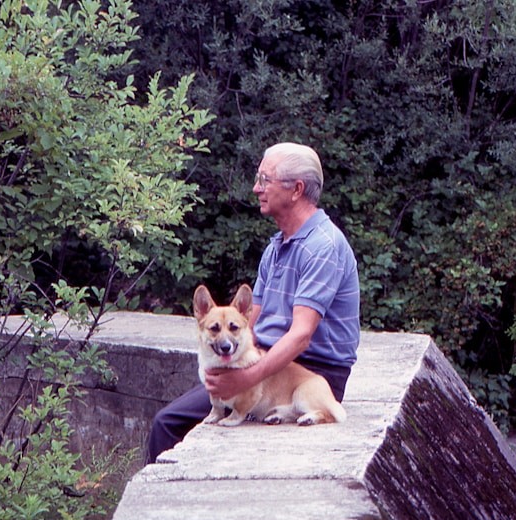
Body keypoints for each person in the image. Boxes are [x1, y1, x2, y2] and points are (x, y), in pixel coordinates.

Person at [145, 142, 361, 463]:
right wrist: (229, 364)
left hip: (308, 375)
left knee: (167, 424)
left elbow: (301, 336)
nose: (256, 187)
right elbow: (249, 323)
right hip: (264, 362)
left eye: (265, 179)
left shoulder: (322, 247)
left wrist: (248, 377)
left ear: (296, 189)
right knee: (172, 419)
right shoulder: (276, 248)